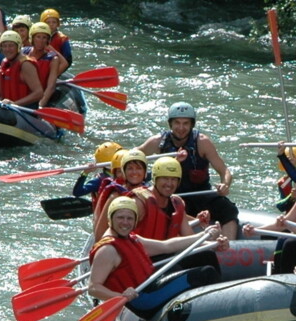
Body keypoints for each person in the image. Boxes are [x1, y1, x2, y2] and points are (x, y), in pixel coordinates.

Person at [88, 197, 229, 321]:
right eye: (120, 217)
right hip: (143, 300)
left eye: (129, 218)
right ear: (110, 219)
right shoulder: (108, 250)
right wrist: (120, 296)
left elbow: (166, 246)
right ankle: (220, 313)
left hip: (151, 284)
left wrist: (208, 242)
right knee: (206, 273)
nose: (125, 222)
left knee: (205, 256)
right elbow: (93, 287)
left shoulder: (131, 238)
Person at [135, 102, 239, 240]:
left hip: (200, 195)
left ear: (192, 125)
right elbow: (134, 156)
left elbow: (224, 170)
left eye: (186, 123)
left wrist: (225, 184)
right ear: (170, 124)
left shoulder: (202, 142)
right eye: (177, 123)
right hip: (171, 196)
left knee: (229, 209)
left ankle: (228, 247)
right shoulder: (158, 142)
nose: (181, 128)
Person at [91, 149, 151, 243]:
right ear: (124, 172)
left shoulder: (150, 193)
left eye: (139, 168)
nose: (134, 172)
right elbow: (100, 235)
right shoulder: (115, 196)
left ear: (145, 172)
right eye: (130, 168)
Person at [132, 157, 197, 241]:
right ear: (155, 179)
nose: (169, 184)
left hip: (168, 252)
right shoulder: (139, 202)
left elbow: (189, 238)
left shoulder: (177, 203)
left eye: (173, 179)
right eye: (165, 178)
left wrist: (214, 242)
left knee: (208, 253)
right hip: (141, 252)